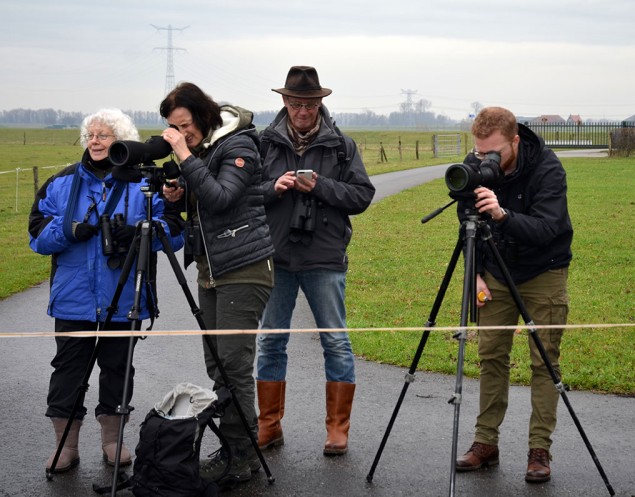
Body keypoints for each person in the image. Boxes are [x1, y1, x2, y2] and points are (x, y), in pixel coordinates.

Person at [29, 108, 183, 472]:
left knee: (118, 369)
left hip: (125, 295)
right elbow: (37, 236)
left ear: (122, 141)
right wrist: (68, 230)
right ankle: (65, 445)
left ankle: (113, 440)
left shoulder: (143, 184)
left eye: (104, 135)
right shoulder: (62, 183)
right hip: (73, 299)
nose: (95, 141)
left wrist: (144, 230)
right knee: (68, 372)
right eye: (91, 135)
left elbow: (174, 234)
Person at [159, 82, 274, 489]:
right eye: (173, 127)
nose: (180, 134)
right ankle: (233, 446)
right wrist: (179, 193)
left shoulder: (239, 146)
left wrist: (186, 158)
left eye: (185, 125)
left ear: (204, 115)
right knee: (217, 364)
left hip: (244, 268)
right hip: (211, 269)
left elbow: (224, 198)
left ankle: (242, 456)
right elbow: (204, 198)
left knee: (234, 365)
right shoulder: (207, 150)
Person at [255, 66, 375, 456]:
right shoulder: (264, 144)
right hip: (276, 256)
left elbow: (361, 196)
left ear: (320, 103)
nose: (302, 109)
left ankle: (337, 430)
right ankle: (268, 425)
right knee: (270, 343)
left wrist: (319, 186)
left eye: (309, 103)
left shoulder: (342, 145)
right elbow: (243, 194)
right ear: (284, 102)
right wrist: (275, 187)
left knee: (336, 342)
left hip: (324, 257)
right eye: (295, 102)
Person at [454, 106, 573, 483]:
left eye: (494, 153)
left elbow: (549, 228)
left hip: (544, 270)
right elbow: (466, 221)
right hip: (495, 271)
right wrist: (474, 275)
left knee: (544, 360)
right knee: (491, 356)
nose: (485, 160)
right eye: (478, 152)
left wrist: (504, 215)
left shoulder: (547, 168)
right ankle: (485, 442)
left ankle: (540, 449)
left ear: (515, 141)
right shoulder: (474, 165)